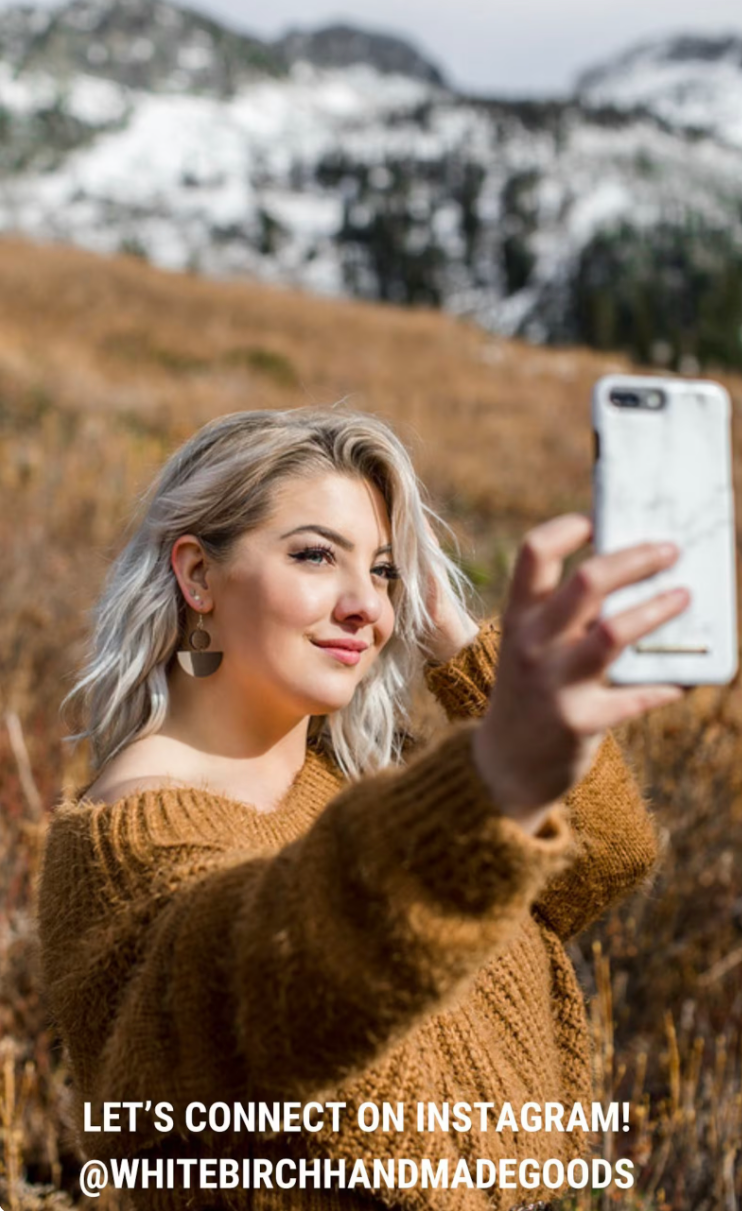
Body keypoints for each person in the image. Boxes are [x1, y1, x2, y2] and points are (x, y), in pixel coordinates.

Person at [37, 406, 689, 1211]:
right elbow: (276, 976)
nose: (366, 607)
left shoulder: (359, 780)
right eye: (315, 555)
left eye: (383, 573)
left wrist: (458, 641)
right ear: (197, 575)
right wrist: (493, 780)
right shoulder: (131, 841)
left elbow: (607, 857)